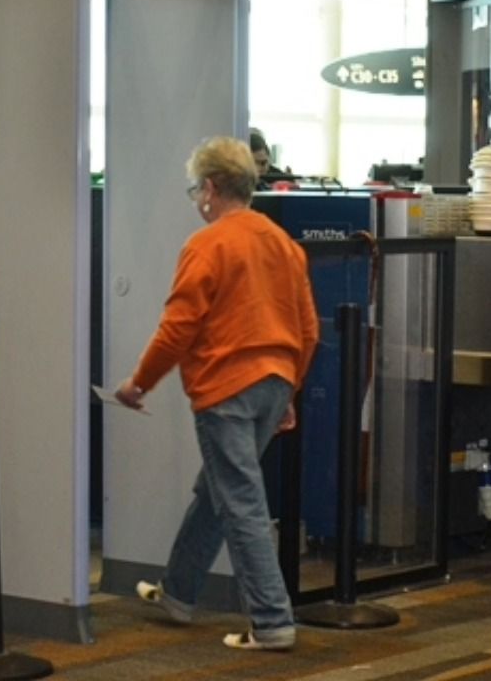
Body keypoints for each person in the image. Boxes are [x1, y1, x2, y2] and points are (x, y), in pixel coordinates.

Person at [116, 136, 318, 651]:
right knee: (219, 490)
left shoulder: (207, 245)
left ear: (210, 188)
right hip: (273, 383)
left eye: (193, 191)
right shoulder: (282, 242)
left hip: (226, 389)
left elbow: (177, 329)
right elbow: (309, 329)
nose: (195, 200)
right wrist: (288, 390)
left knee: (241, 502)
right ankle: (178, 593)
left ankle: (272, 622)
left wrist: (139, 382)